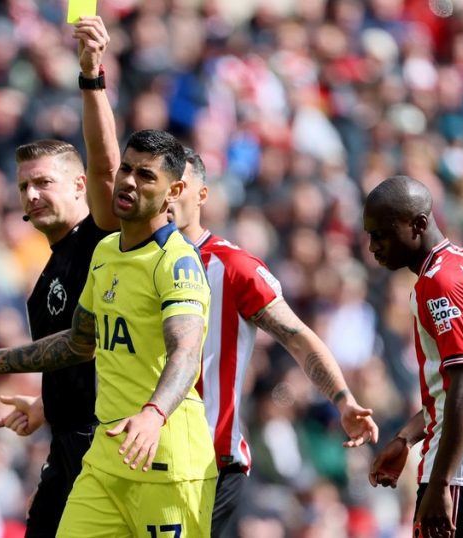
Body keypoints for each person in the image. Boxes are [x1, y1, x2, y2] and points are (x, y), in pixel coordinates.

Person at [0, 129, 217, 536]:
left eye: (146, 175)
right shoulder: (106, 254)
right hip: (105, 458)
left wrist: (154, 414)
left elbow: (185, 351)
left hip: (165, 455)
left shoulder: (177, 262)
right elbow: (80, 342)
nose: (129, 180)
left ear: (174, 191)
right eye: (126, 171)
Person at [168, 149, 379, 536]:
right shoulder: (124, 263)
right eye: (158, 183)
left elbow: (297, 337)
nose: (167, 194)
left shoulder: (235, 268)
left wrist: (343, 398)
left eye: (178, 185)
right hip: (134, 460)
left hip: (207, 466)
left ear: (201, 194)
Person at [0, 15, 119, 537]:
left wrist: (91, 77)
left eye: (43, 182)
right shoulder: (46, 275)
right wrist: (46, 404)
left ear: (80, 186)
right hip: (66, 444)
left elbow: (108, 166)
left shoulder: (105, 239)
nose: (32, 195)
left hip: (106, 447)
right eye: (23, 187)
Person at [364, 176, 463, 537]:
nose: (373, 246)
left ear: (418, 225)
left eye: (382, 234)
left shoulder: (441, 283)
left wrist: (440, 483)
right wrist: (407, 437)